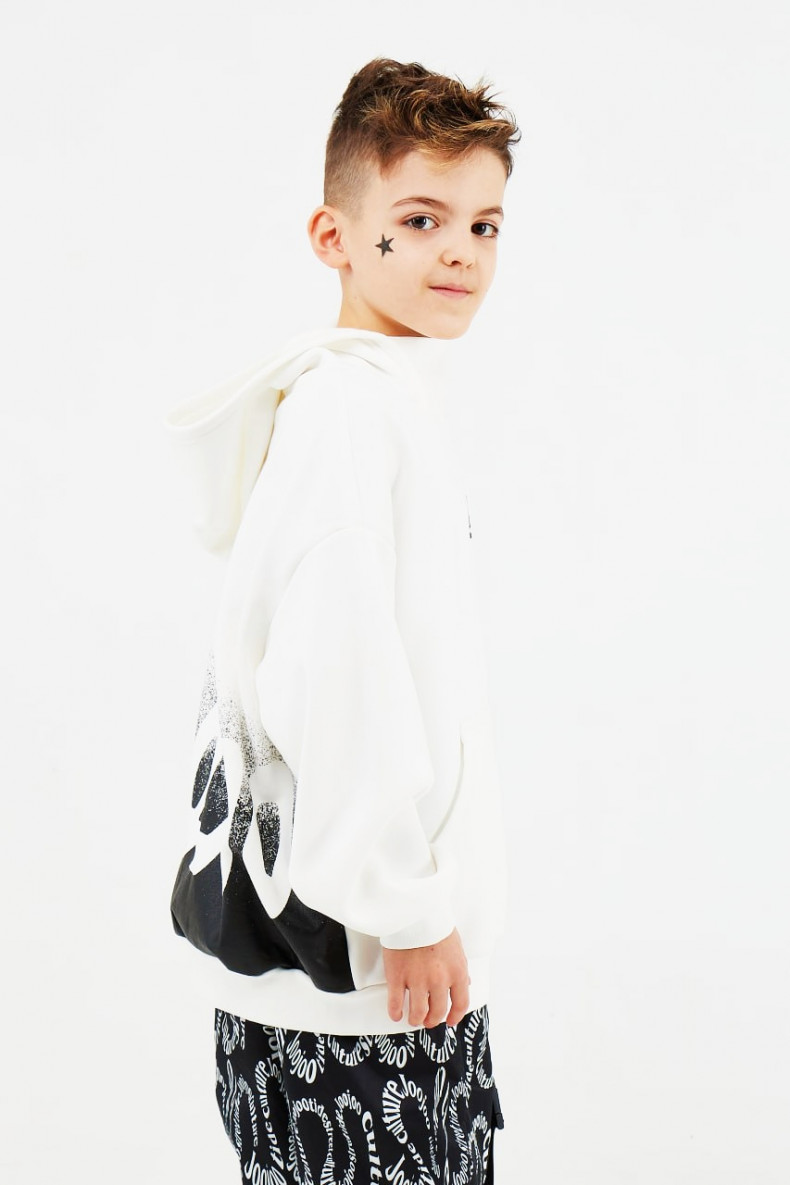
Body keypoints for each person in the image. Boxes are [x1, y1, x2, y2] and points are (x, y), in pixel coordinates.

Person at [167, 57, 519, 1184]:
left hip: (366, 974)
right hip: (356, 984)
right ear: (334, 236)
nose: (460, 251)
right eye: (419, 220)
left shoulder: (383, 405)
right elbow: (335, 674)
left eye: (483, 224)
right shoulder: (349, 419)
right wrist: (403, 909)